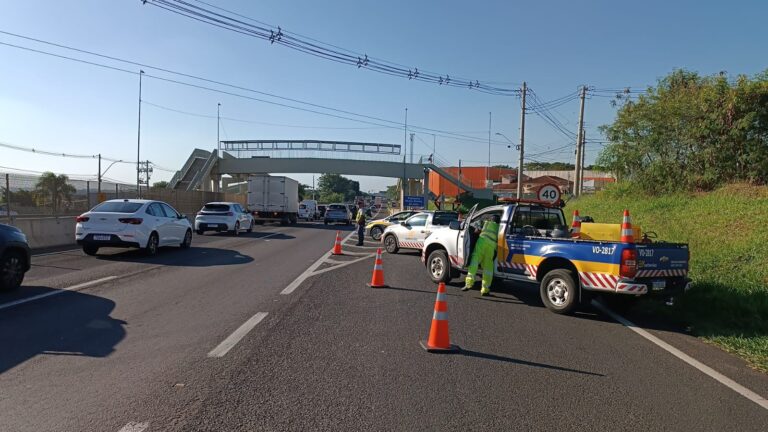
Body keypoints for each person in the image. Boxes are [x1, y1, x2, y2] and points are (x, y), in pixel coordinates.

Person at [462, 214, 500, 296]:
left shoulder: (486, 223)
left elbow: (476, 230)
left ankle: (468, 284)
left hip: (482, 243)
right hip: (492, 246)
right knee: (488, 269)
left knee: (474, 262)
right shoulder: (500, 227)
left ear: (491, 219)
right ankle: (485, 290)